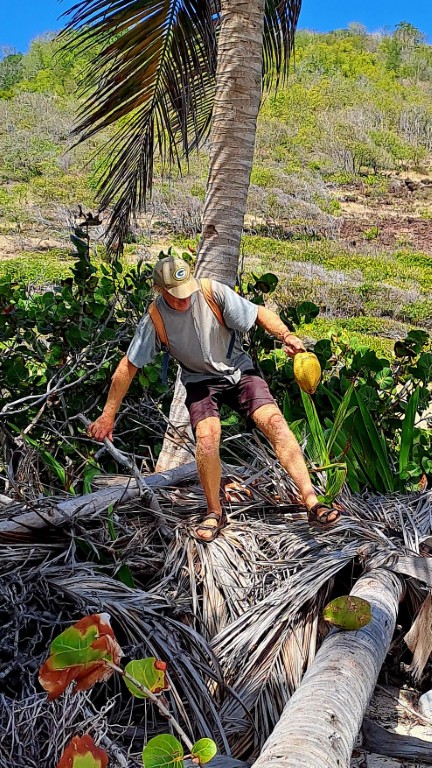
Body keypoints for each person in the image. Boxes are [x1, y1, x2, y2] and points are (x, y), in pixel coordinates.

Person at [88, 255, 341, 541]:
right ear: (160, 290)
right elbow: (128, 366)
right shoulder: (155, 319)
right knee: (207, 437)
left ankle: (312, 501)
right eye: (176, 296)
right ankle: (214, 512)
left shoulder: (211, 292)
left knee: (274, 422)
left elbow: (258, 313)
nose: (184, 300)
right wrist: (107, 415)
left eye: (187, 291)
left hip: (237, 369)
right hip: (199, 379)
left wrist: (286, 335)